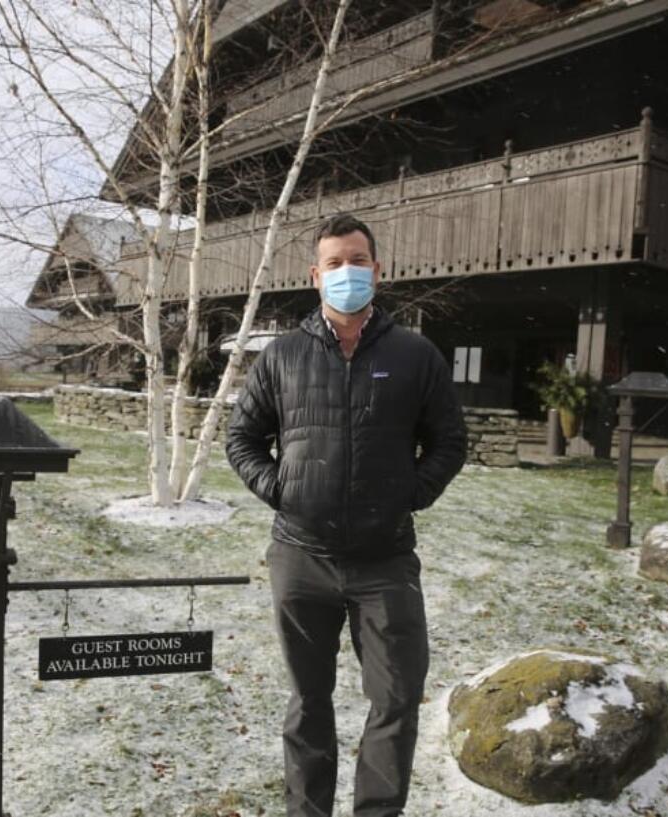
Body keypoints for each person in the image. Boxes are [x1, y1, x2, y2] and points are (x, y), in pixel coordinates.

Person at [226, 213, 467, 817]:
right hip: (300, 556)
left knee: (396, 701)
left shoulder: (415, 354)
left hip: (384, 561)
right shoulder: (281, 355)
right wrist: (280, 488)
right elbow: (242, 438)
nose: (346, 272)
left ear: (377, 271)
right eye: (334, 263)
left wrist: (411, 492)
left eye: (357, 260)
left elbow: (450, 440)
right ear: (315, 275)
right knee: (309, 702)